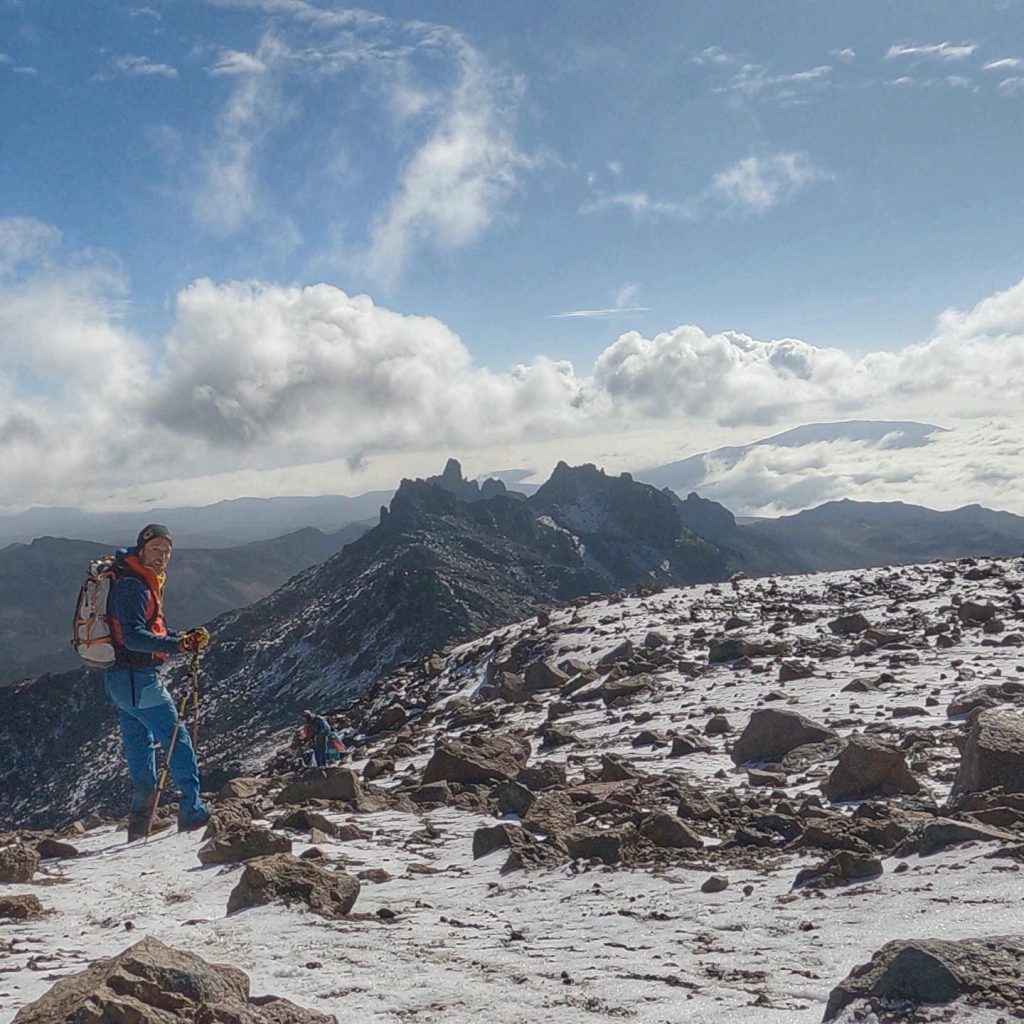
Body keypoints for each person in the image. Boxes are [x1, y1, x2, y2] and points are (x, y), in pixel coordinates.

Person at [104, 524, 212, 840]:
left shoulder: (134, 580)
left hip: (121, 682)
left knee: (140, 745)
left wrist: (181, 637)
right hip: (139, 681)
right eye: (155, 549)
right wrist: (178, 646)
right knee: (177, 738)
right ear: (141, 550)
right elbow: (135, 637)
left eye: (166, 551)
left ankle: (140, 821)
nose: (162, 556)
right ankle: (192, 811)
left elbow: (152, 630)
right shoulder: (134, 587)